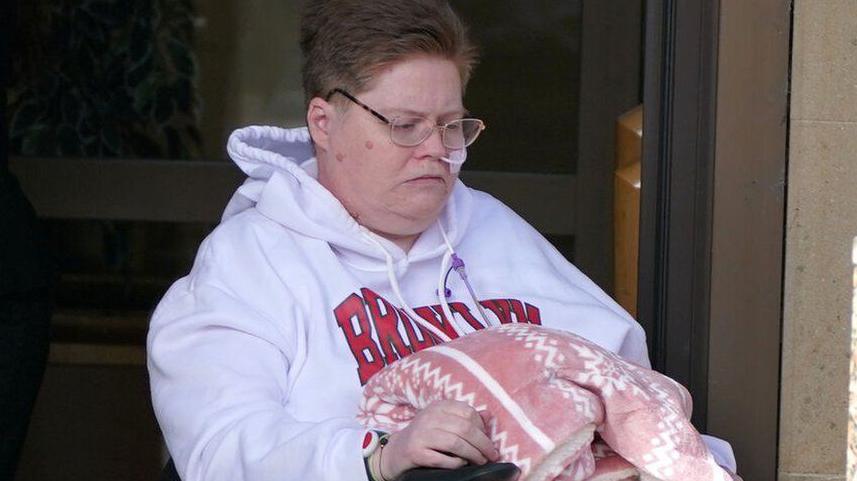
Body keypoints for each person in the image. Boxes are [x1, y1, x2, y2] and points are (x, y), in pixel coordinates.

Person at [147, 1, 735, 480]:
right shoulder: (249, 265)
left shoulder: (495, 230)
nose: (437, 150)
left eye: (452, 126)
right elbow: (219, 451)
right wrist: (377, 458)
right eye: (405, 126)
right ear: (323, 123)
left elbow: (631, 394)